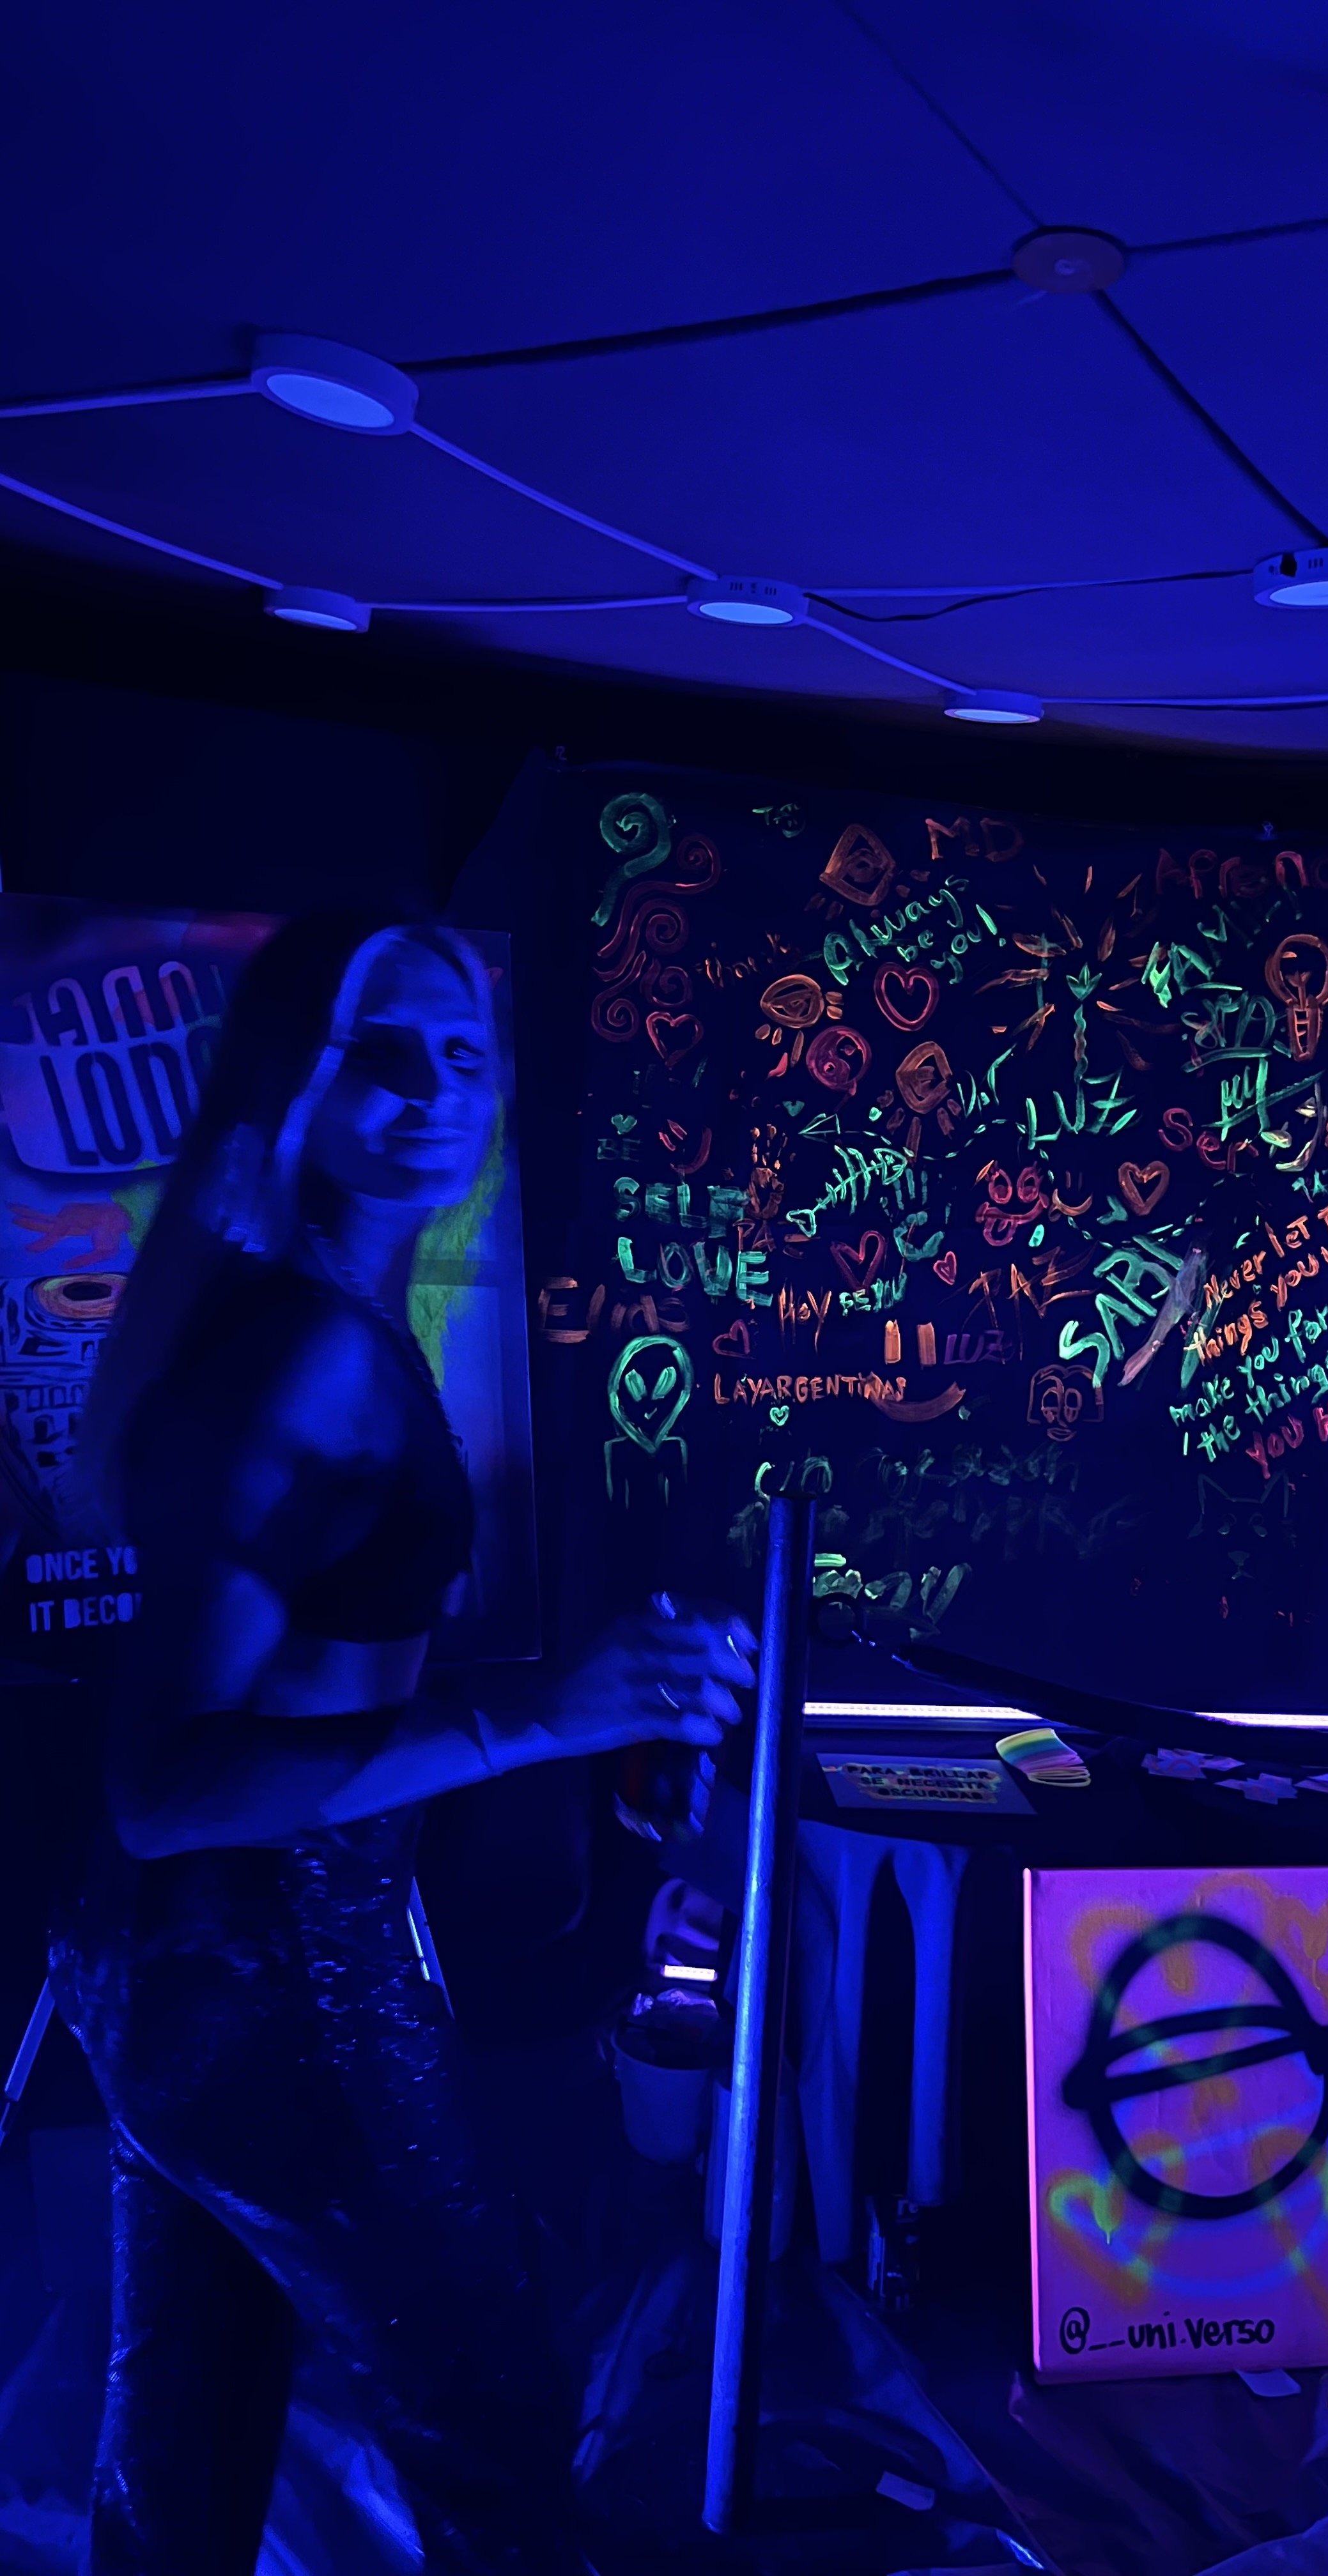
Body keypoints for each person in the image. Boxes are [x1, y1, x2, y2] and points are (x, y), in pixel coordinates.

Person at [48, 912, 754, 2575]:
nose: (433, 1094)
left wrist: (581, 1725)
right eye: (383, 1053)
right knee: (499, 2444)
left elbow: (302, 1698)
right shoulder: (306, 1355)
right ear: (293, 1083)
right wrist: (541, 1717)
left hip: (178, 1984)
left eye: (461, 1056)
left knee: (181, 2470)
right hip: (282, 1987)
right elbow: (165, 1790)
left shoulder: (315, 1321)